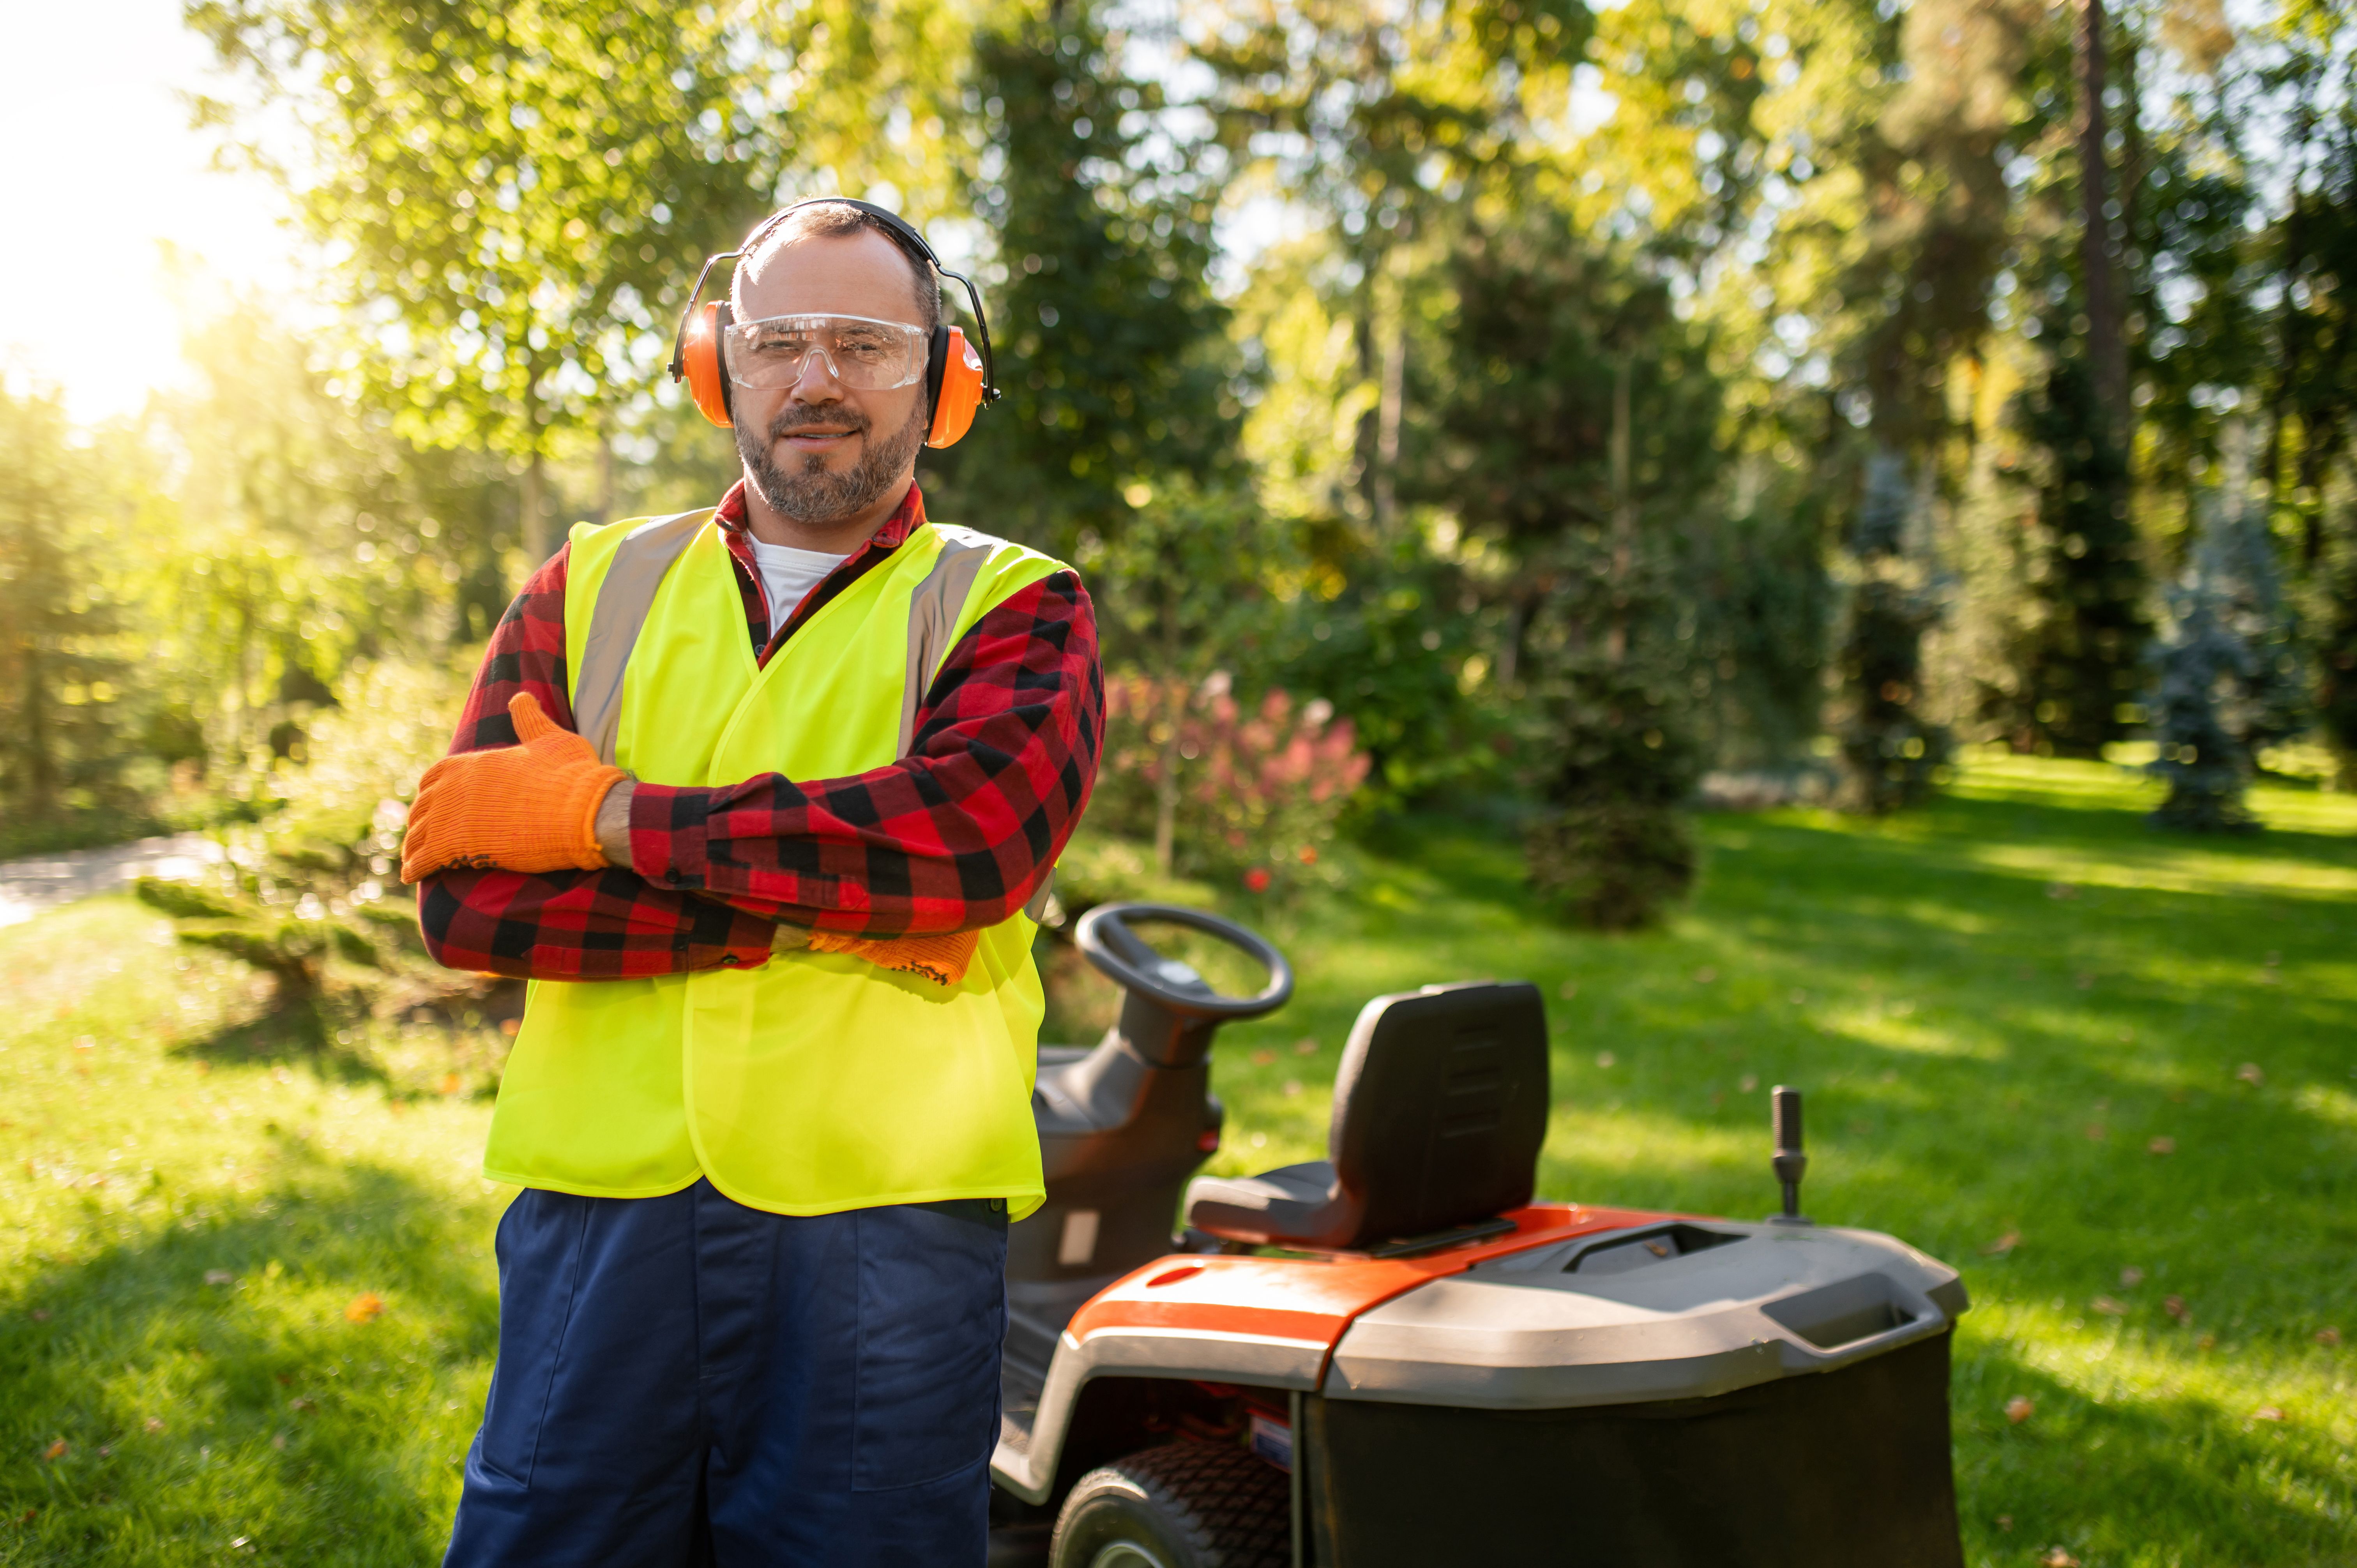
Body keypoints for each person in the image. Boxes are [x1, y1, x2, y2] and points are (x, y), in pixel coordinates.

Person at [399, 199, 1103, 1566]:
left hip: (889, 1225)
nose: (817, 378)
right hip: (602, 1215)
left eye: (867, 345)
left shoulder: (1017, 602)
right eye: (781, 341)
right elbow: (467, 899)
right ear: (720, 363)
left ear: (944, 382)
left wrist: (603, 818)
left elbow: (968, 848)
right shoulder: (585, 588)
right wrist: (841, 910)